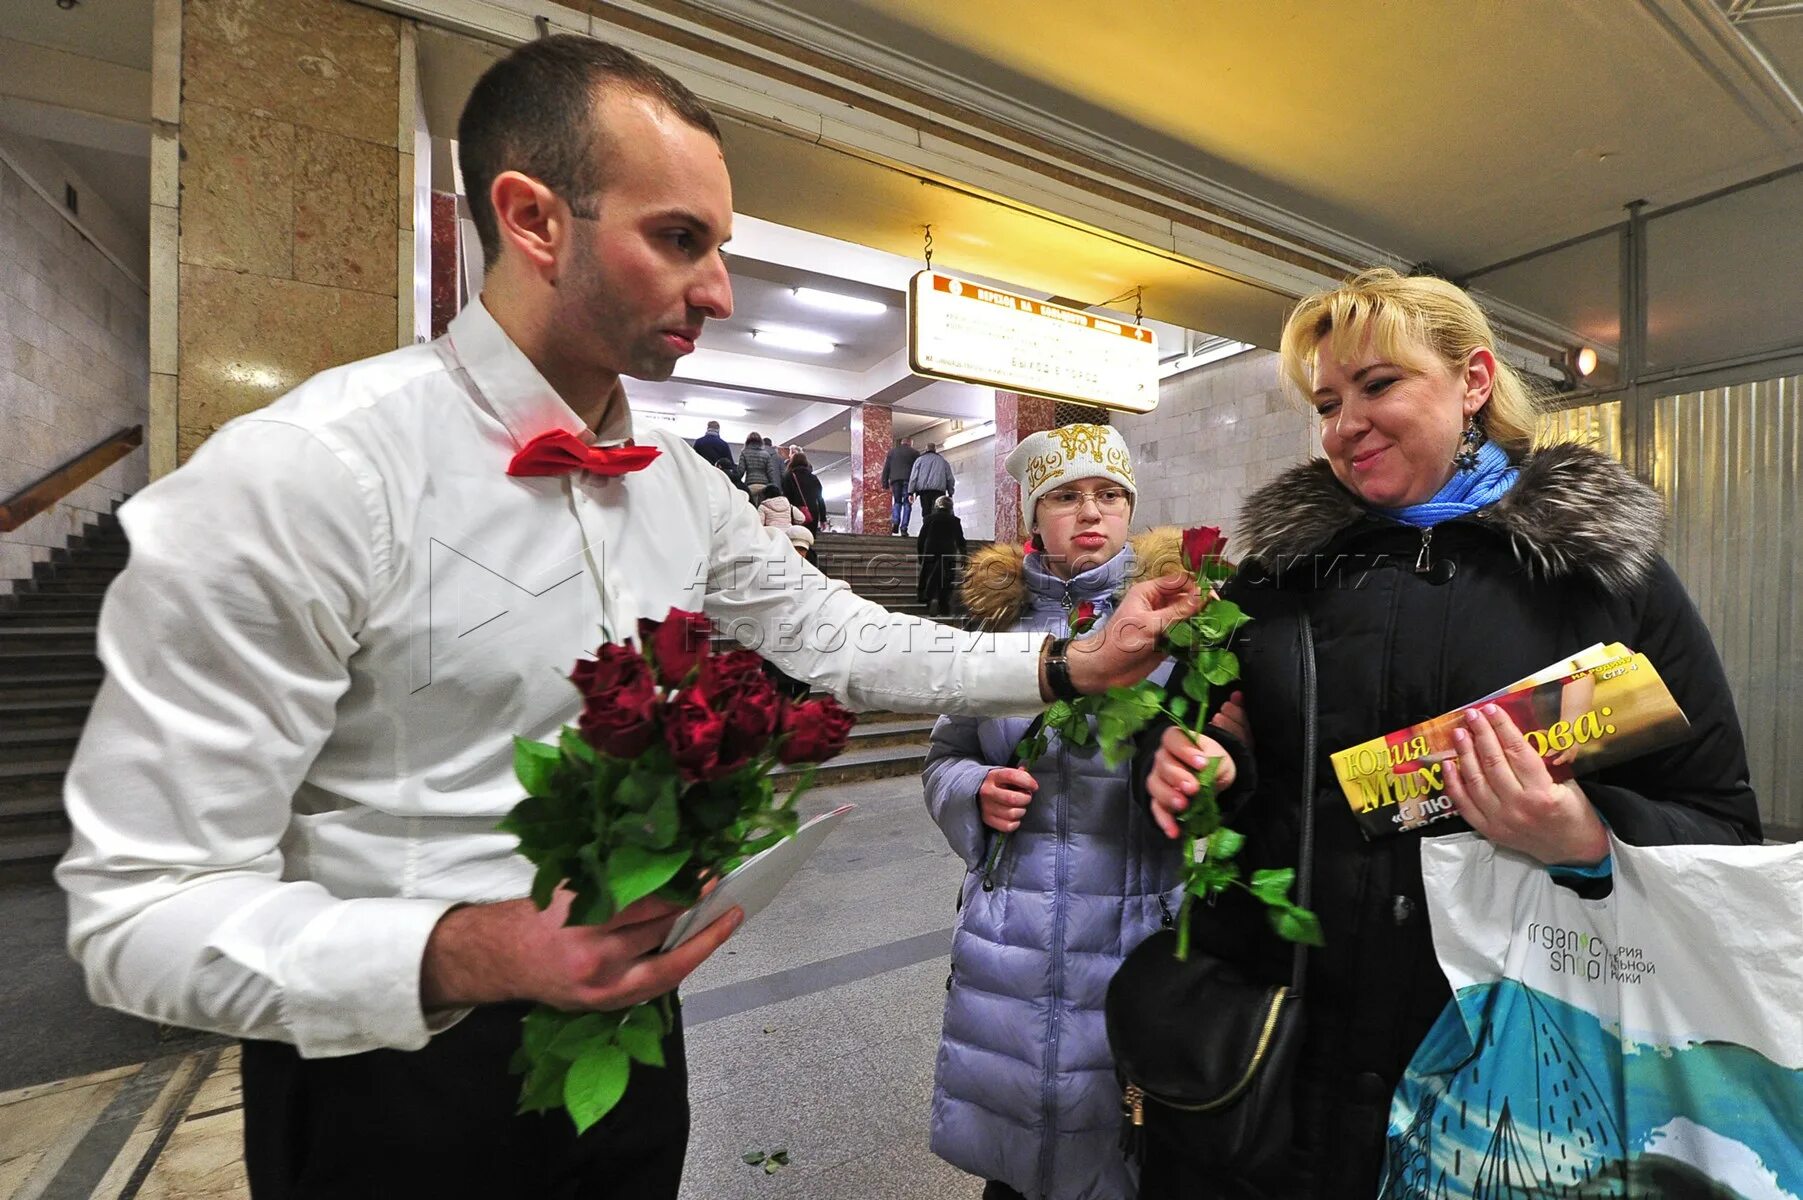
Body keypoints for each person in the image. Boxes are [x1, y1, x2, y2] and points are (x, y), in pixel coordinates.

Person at [55, 36, 1200, 1200]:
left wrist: (1071, 664)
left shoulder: (680, 490)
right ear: (533, 218)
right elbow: (138, 910)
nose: (718, 293)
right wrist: (471, 949)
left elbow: (842, 637)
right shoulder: (305, 473)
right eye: (678, 240)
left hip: (634, 1032)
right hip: (396, 1067)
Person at [1139, 268, 1761, 1198]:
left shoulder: (1600, 578)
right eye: (1327, 400)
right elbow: (1194, 743)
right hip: (1283, 1064)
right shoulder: (1275, 582)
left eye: (1380, 384)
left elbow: (1721, 823)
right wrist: (1197, 767)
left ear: (1471, 382)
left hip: (1510, 1080)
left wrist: (1584, 836)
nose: (1346, 422)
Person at [923, 424, 1242, 1200]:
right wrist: (973, 788)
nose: (1089, 513)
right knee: (1017, 1155)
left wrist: (1210, 773)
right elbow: (944, 756)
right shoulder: (995, 634)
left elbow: (1228, 755)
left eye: (1108, 495)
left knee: (1121, 1148)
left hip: (1135, 932)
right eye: (1064, 497)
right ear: (1033, 517)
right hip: (1010, 940)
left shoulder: (1183, 624)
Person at [915, 494, 966, 618]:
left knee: (928, 574)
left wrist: (921, 554)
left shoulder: (929, 519)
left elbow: (921, 539)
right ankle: (944, 603)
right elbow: (960, 540)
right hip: (948, 551)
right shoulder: (955, 521)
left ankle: (930, 598)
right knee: (947, 577)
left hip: (930, 550)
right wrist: (964, 555)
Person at [908, 441, 956, 524]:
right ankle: (935, 532)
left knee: (926, 513)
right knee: (937, 513)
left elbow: (913, 477)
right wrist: (950, 492)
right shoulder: (942, 461)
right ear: (935, 449)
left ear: (926, 449)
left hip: (924, 492)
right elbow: (950, 478)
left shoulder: (919, 460)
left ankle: (927, 531)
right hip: (939, 492)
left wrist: (911, 492)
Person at [883, 434, 920, 534]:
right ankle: (904, 528)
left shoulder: (892, 452)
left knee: (897, 502)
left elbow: (886, 468)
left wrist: (885, 482)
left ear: (902, 442)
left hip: (895, 481)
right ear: (910, 443)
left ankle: (895, 521)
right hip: (908, 480)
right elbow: (918, 470)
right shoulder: (915, 453)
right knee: (907, 504)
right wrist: (918, 487)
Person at [781, 449, 825, 533]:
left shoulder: (788, 476)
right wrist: (823, 518)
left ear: (792, 462)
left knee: (795, 538)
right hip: (811, 514)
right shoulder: (813, 478)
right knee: (809, 539)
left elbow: (786, 496)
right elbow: (820, 499)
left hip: (795, 512)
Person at [738, 431, 777, 501]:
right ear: (760, 442)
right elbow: (771, 472)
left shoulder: (744, 453)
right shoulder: (766, 454)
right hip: (764, 486)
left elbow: (740, 471)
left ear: (747, 441)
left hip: (750, 485)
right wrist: (774, 486)